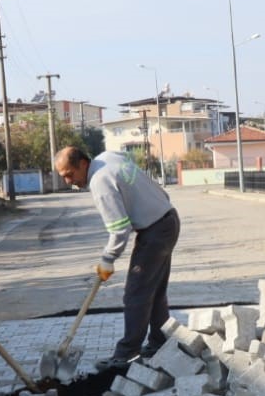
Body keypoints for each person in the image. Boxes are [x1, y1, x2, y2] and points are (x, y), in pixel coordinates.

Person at [52, 146, 180, 367]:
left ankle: (127, 354)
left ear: (83, 164)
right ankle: (160, 343)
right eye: (63, 177)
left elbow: (120, 229)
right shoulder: (108, 158)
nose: (68, 181)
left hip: (156, 230)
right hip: (168, 219)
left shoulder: (100, 182)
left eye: (69, 175)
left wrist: (107, 259)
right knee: (154, 290)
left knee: (136, 294)